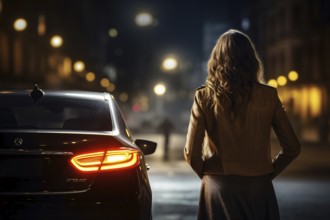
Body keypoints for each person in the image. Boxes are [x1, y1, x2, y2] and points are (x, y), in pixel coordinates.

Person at [184, 29, 301, 220]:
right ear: (252, 60)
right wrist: (266, 173)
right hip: (258, 185)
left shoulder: (204, 96)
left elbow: (191, 152)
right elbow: (293, 148)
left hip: (217, 183)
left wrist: (210, 174)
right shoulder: (269, 95)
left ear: (216, 60)